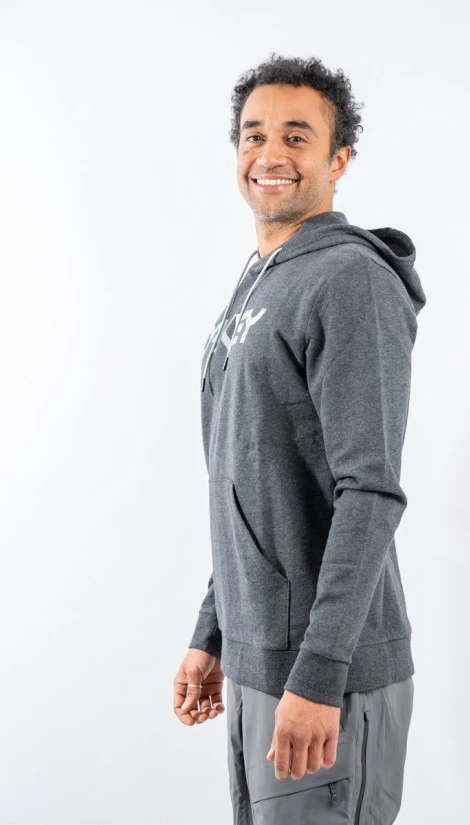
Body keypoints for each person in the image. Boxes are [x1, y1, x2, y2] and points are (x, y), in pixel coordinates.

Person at [173, 52, 427, 824]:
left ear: (338, 158)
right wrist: (215, 630)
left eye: (296, 135)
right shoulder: (259, 282)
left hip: (325, 675)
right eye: (253, 134)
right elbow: (248, 479)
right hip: (260, 665)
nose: (270, 153)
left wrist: (318, 672)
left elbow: (369, 490)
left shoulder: (350, 280)